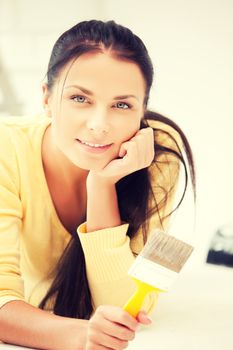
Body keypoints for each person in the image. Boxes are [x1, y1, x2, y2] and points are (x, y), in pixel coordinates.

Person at [0, 19, 195, 350]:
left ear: (142, 110)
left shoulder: (158, 153)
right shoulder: (7, 149)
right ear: (46, 98)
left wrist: (102, 184)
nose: (99, 125)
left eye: (122, 105)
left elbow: (128, 304)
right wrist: (80, 335)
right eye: (79, 98)